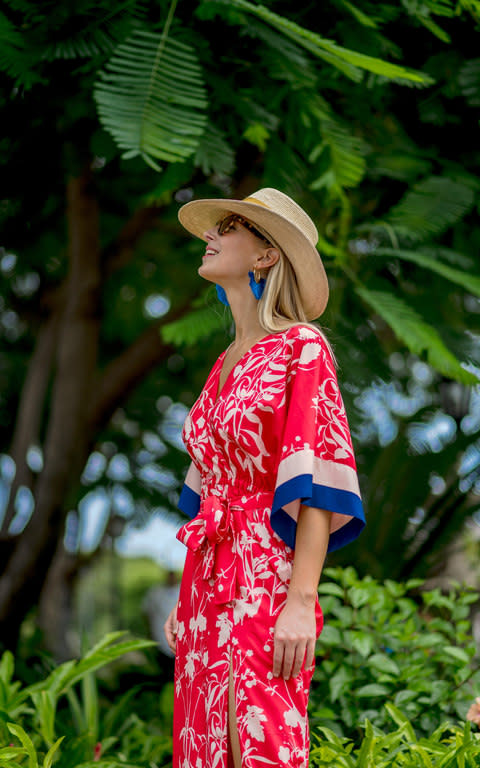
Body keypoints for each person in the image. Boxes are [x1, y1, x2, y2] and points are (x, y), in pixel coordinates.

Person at [164, 188, 365, 768]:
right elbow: (206, 498)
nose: (211, 235)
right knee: (202, 744)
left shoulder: (301, 349)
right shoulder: (221, 365)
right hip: (206, 576)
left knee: (261, 739)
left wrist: (302, 599)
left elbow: (317, 483)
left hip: (267, 570)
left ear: (265, 257)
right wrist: (188, 597)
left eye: (227, 226)